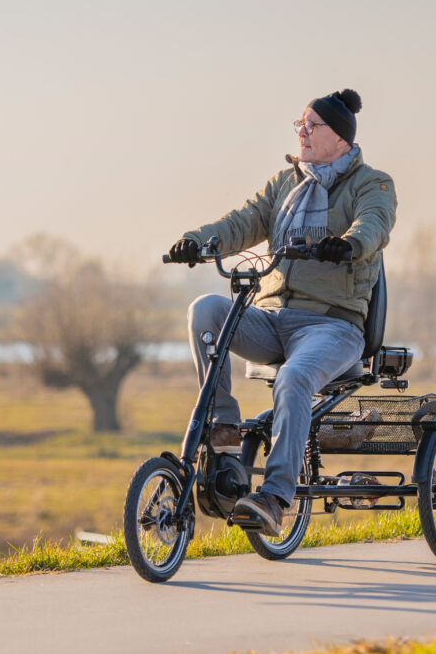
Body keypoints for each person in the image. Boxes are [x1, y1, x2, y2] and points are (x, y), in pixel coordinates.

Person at [168, 88, 396, 535]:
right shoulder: (284, 184)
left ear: (341, 141)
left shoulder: (373, 183)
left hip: (333, 326)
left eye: (312, 126)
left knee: (295, 376)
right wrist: (196, 240)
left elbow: (373, 224)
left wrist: (347, 244)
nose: (302, 133)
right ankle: (224, 428)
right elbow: (242, 222)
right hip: (272, 318)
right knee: (206, 311)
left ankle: (274, 497)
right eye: (300, 125)